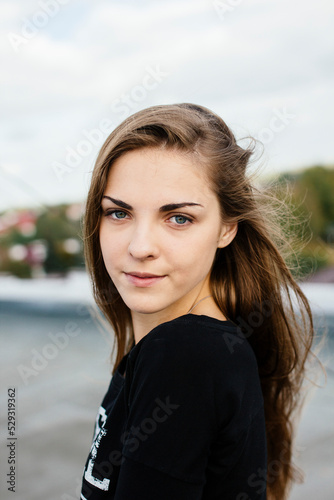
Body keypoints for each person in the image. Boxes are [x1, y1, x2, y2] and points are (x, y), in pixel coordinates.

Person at [80, 103, 315, 500]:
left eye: (179, 218)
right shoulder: (189, 350)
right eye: (119, 213)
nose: (140, 247)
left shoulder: (185, 354)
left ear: (226, 228)